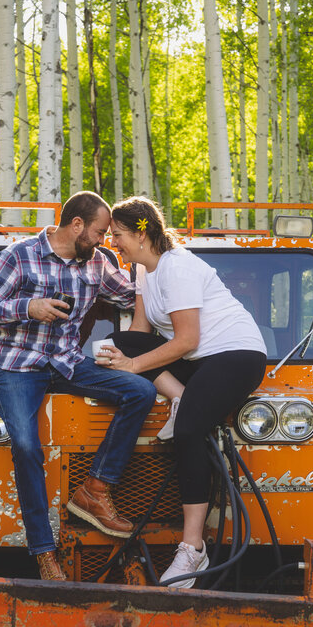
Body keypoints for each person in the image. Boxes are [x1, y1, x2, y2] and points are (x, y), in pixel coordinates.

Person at [0, 191, 157, 582]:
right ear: (76, 226)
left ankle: (95, 489)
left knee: (140, 392)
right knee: (25, 445)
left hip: (67, 363)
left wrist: (158, 266)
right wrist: (27, 308)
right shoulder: (19, 255)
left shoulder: (97, 263)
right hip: (17, 366)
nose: (104, 240)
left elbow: (133, 294)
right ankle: (44, 551)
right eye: (100, 232)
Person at [95, 196, 266, 589]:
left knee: (189, 431)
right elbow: (139, 334)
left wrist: (132, 366)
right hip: (199, 361)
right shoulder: (142, 270)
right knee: (118, 341)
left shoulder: (179, 266)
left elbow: (187, 339)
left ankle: (193, 547)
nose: (113, 243)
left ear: (141, 232)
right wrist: (115, 355)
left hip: (235, 354)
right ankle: (179, 397)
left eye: (117, 235)